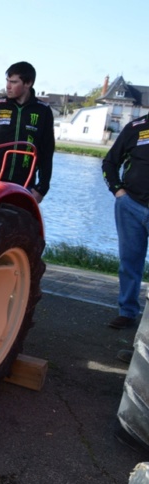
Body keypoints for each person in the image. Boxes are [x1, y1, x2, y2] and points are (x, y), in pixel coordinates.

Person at [0, 61, 55, 204]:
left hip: (24, 185)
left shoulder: (43, 111)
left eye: (14, 82)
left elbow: (47, 151)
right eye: (7, 81)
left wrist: (42, 188)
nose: (8, 86)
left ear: (28, 83)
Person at [102, 113, 149, 330]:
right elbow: (110, 162)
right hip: (131, 206)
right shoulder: (135, 128)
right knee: (130, 263)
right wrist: (117, 191)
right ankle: (128, 312)